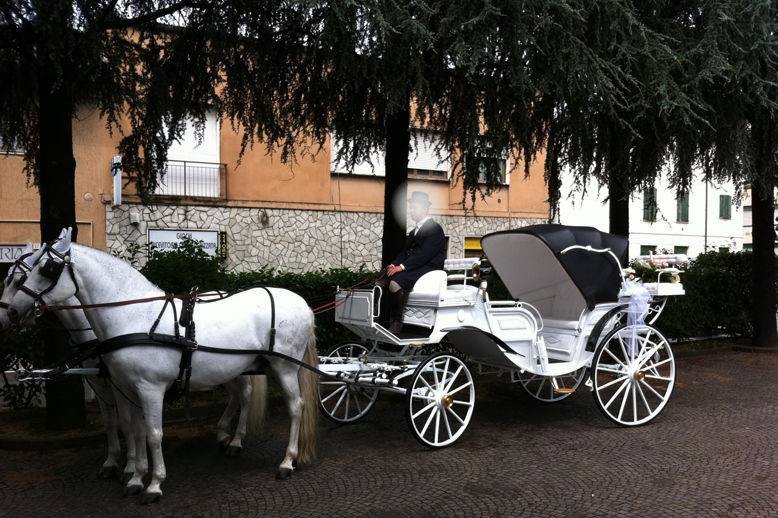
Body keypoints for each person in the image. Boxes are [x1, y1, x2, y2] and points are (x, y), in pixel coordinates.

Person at [378, 191, 447, 334]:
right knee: (382, 277)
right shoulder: (413, 232)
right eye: (411, 207)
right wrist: (393, 265)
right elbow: (404, 253)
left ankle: (397, 321)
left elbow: (424, 255)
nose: (411, 210)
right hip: (416, 266)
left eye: (414, 207)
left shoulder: (435, 229)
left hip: (430, 268)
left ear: (424, 209)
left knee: (395, 282)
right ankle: (380, 317)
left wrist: (402, 268)